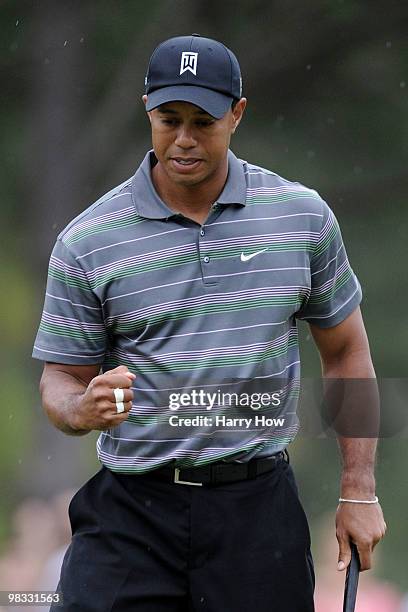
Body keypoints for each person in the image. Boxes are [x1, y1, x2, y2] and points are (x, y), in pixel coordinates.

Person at [33, 34, 386, 611]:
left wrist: (359, 490)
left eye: (204, 121)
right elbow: (59, 380)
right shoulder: (87, 239)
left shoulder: (301, 217)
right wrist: (80, 408)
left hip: (256, 511)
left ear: (237, 114)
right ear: (146, 108)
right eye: (168, 119)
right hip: (131, 514)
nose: (184, 139)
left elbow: (347, 352)